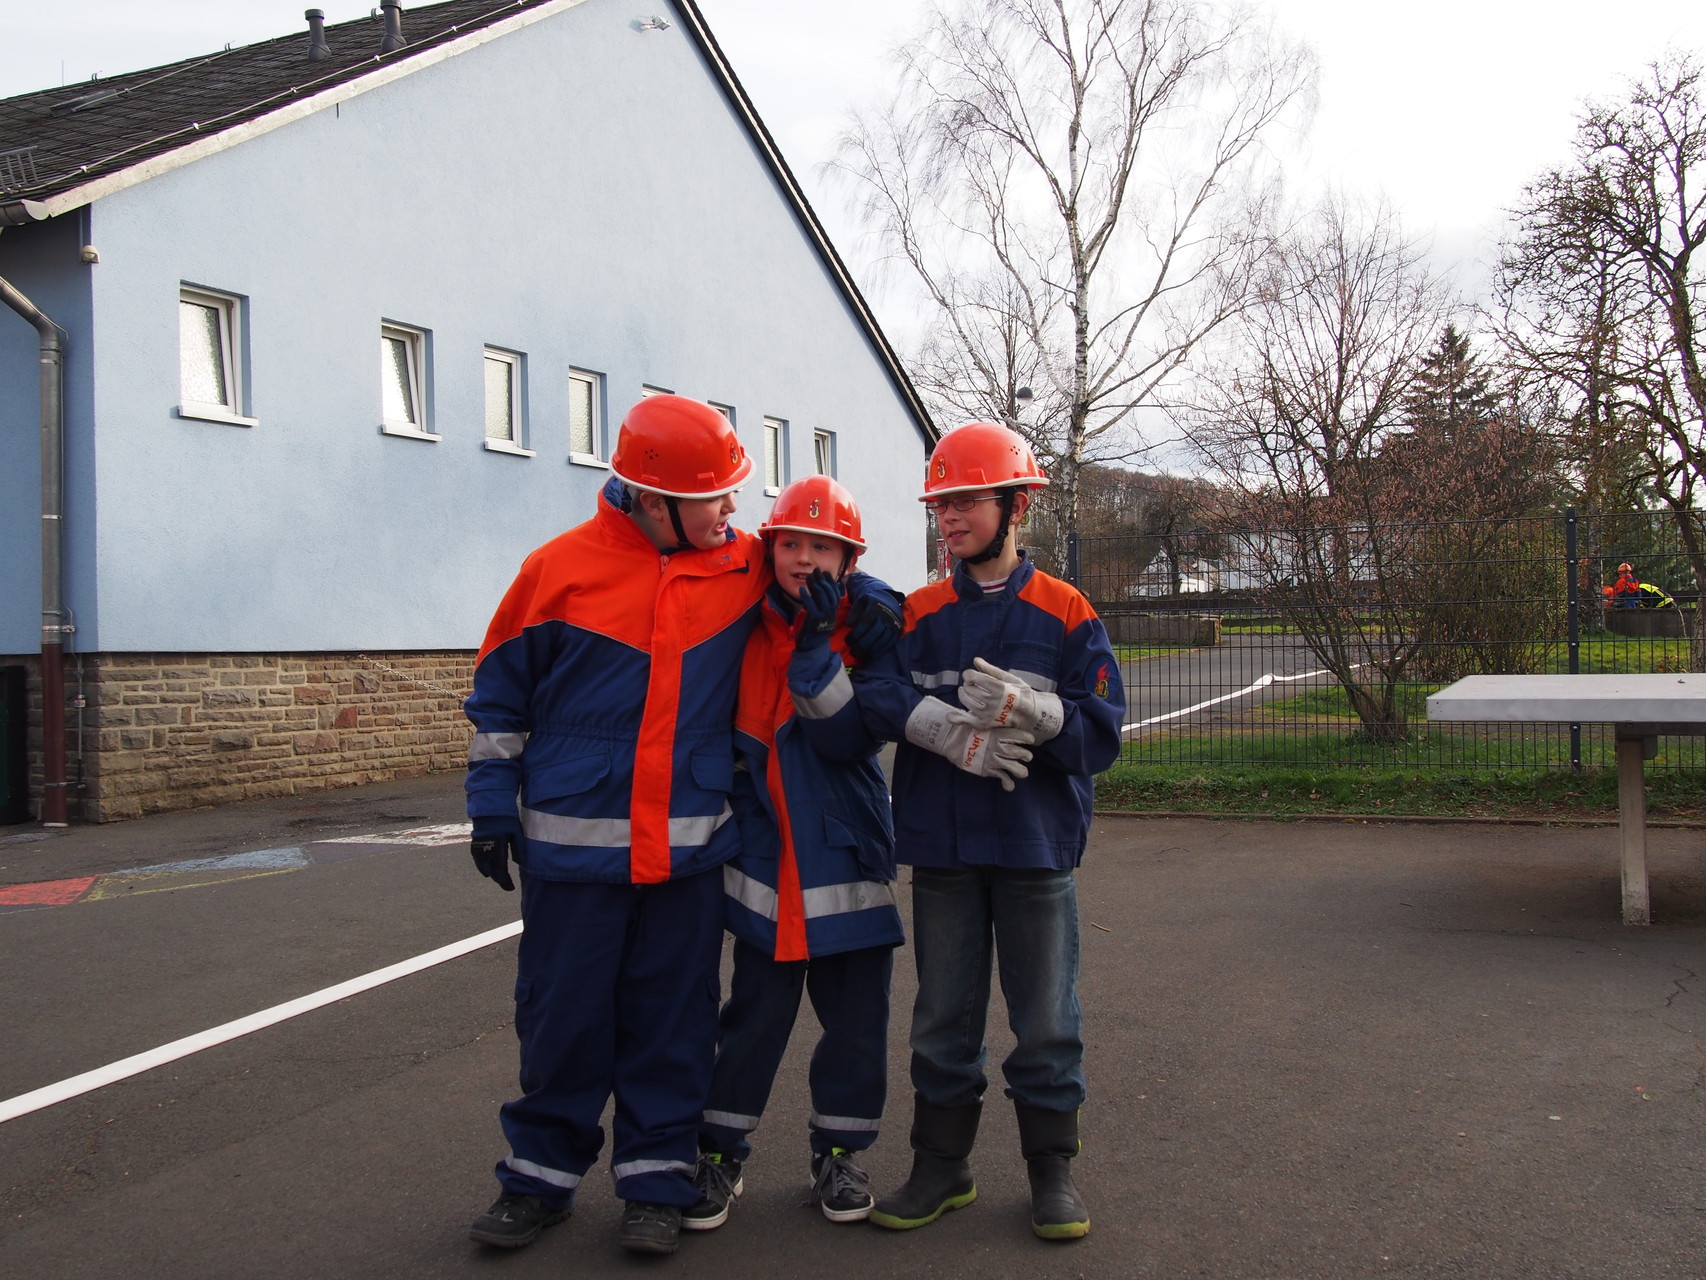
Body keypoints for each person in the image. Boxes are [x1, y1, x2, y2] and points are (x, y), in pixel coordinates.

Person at [462, 395, 769, 1257]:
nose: (732, 511)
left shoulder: (744, 565)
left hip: (688, 852)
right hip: (573, 855)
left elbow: (821, 575)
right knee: (562, 1019)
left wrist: (866, 608)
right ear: (652, 499)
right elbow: (498, 699)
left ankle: (656, 1183)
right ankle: (538, 1182)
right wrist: (489, 809)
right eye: (716, 496)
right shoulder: (557, 570)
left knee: (673, 1021)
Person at [854, 422, 1125, 1242]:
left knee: (1045, 1016)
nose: (949, 518)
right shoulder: (918, 613)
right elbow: (874, 694)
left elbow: (1104, 735)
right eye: (941, 505)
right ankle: (942, 1168)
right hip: (943, 849)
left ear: (1015, 506)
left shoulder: (1067, 611)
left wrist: (1044, 716)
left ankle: (1053, 1174)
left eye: (966, 501)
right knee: (942, 1015)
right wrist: (943, 730)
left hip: (1035, 850)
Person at [685, 474, 907, 1231]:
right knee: (750, 1023)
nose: (805, 559)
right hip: (765, 863)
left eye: (825, 547)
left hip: (846, 858)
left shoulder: (872, 636)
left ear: (849, 560)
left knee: (855, 1027)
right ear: (769, 546)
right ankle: (719, 1156)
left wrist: (821, 646)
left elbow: (845, 740)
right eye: (792, 543)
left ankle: (840, 1159)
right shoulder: (746, 622)